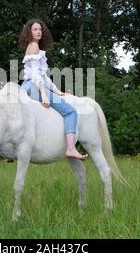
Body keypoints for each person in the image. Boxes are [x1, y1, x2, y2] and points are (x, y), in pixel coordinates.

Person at [19, 18, 88, 161]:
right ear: (29, 32)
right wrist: (44, 94)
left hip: (27, 86)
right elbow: (37, 76)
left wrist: (57, 91)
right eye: (35, 29)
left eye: (40, 29)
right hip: (34, 87)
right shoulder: (34, 47)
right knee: (71, 112)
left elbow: (43, 76)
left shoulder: (34, 47)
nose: (38, 32)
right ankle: (71, 148)